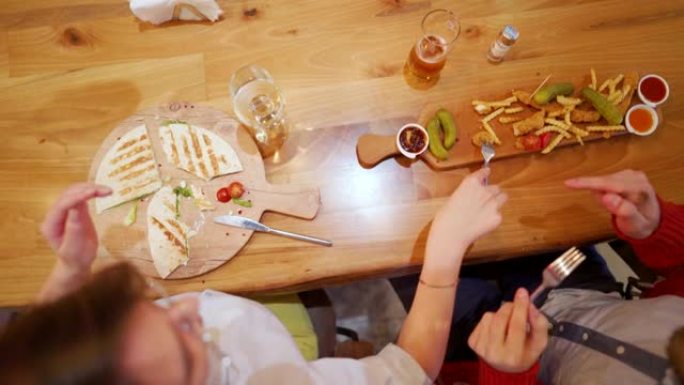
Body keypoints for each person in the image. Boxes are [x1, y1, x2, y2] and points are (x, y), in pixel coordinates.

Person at [0, 168, 508, 385]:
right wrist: (445, 249)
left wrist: (67, 277)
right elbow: (410, 368)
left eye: (143, 306)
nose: (189, 305)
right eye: (184, 346)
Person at [465, 169, 684, 384]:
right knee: (527, 200)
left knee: (463, 292)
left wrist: (506, 374)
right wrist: (657, 228)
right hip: (584, 287)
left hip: (509, 358)